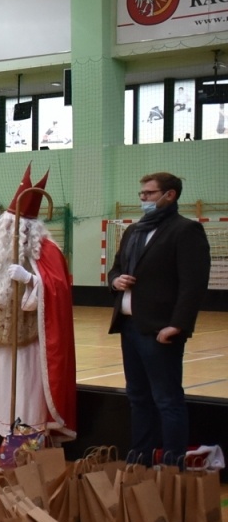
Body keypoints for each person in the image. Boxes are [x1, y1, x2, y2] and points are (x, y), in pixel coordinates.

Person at [107, 171, 211, 464]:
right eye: (141, 194)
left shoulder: (185, 230)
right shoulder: (133, 231)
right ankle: (140, 458)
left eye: (149, 193)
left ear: (170, 195)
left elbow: (193, 284)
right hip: (129, 327)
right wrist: (115, 281)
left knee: (167, 400)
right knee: (137, 397)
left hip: (160, 330)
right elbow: (115, 269)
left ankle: (173, 462)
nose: (143, 198)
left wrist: (177, 325)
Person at [0, 167, 77, 443]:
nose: (7, 231)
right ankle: (7, 438)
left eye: (13, 226)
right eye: (6, 225)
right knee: (1, 386)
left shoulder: (47, 251)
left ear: (28, 228)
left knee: (25, 388)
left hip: (29, 342)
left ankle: (28, 439)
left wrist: (30, 279)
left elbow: (58, 292)